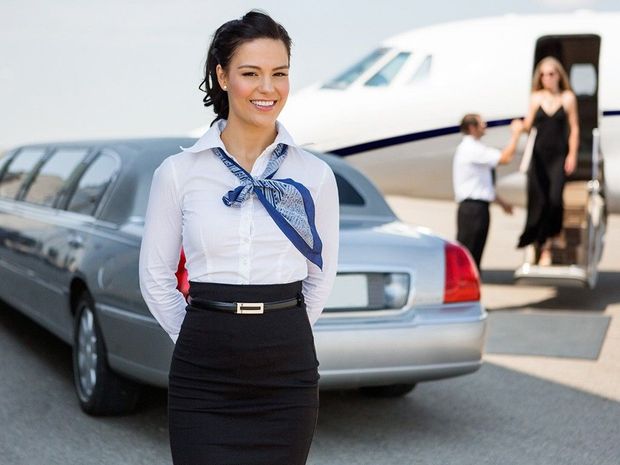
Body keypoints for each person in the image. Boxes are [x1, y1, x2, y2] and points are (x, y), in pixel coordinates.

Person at [138, 11, 339, 465]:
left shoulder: (315, 175)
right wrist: (198, 334)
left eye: (279, 74)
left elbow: (320, 275)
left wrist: (280, 333)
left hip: (287, 368)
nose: (267, 88)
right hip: (202, 368)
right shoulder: (180, 172)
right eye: (251, 73)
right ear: (222, 77)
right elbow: (155, 276)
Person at [517, 56, 579, 265]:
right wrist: (518, 127)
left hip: (558, 156)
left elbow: (574, 128)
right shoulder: (536, 98)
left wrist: (572, 154)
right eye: (542, 75)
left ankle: (552, 238)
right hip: (539, 157)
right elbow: (528, 124)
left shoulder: (568, 98)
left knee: (555, 199)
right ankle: (543, 247)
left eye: (551, 74)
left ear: (559, 75)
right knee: (539, 201)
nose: (546, 78)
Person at [453, 114, 523, 271]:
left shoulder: (473, 148)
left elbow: (483, 186)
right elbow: (505, 158)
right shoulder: (471, 148)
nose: (485, 126)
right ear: (472, 128)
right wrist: (516, 134)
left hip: (477, 208)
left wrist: (502, 204)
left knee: (474, 255)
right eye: (481, 123)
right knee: (469, 256)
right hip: (473, 210)